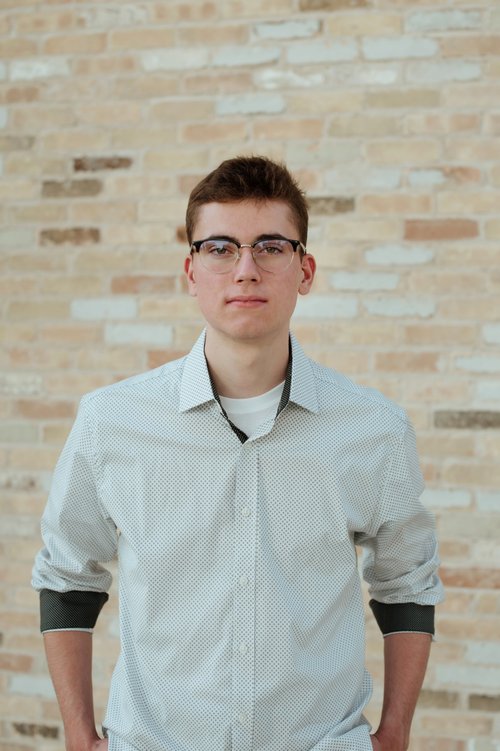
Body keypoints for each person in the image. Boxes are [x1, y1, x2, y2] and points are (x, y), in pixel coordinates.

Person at [32, 155, 443, 751]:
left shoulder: (374, 429)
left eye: (270, 247)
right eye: (220, 248)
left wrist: (395, 734)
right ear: (191, 271)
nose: (246, 270)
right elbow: (67, 578)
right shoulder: (110, 422)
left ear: (305, 270)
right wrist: (78, 736)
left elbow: (407, 584)